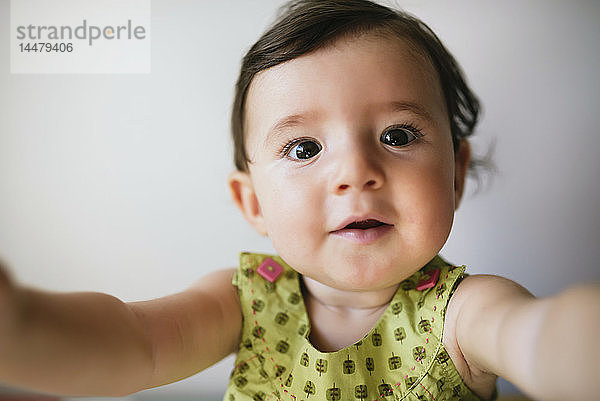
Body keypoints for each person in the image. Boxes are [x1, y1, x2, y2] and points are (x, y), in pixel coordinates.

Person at [0, 1, 598, 400]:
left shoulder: (465, 313)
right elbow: (135, 342)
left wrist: (572, 336)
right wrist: (21, 328)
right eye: (305, 148)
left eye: (397, 136)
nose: (357, 173)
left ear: (456, 172)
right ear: (252, 202)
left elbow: (535, 337)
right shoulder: (243, 303)